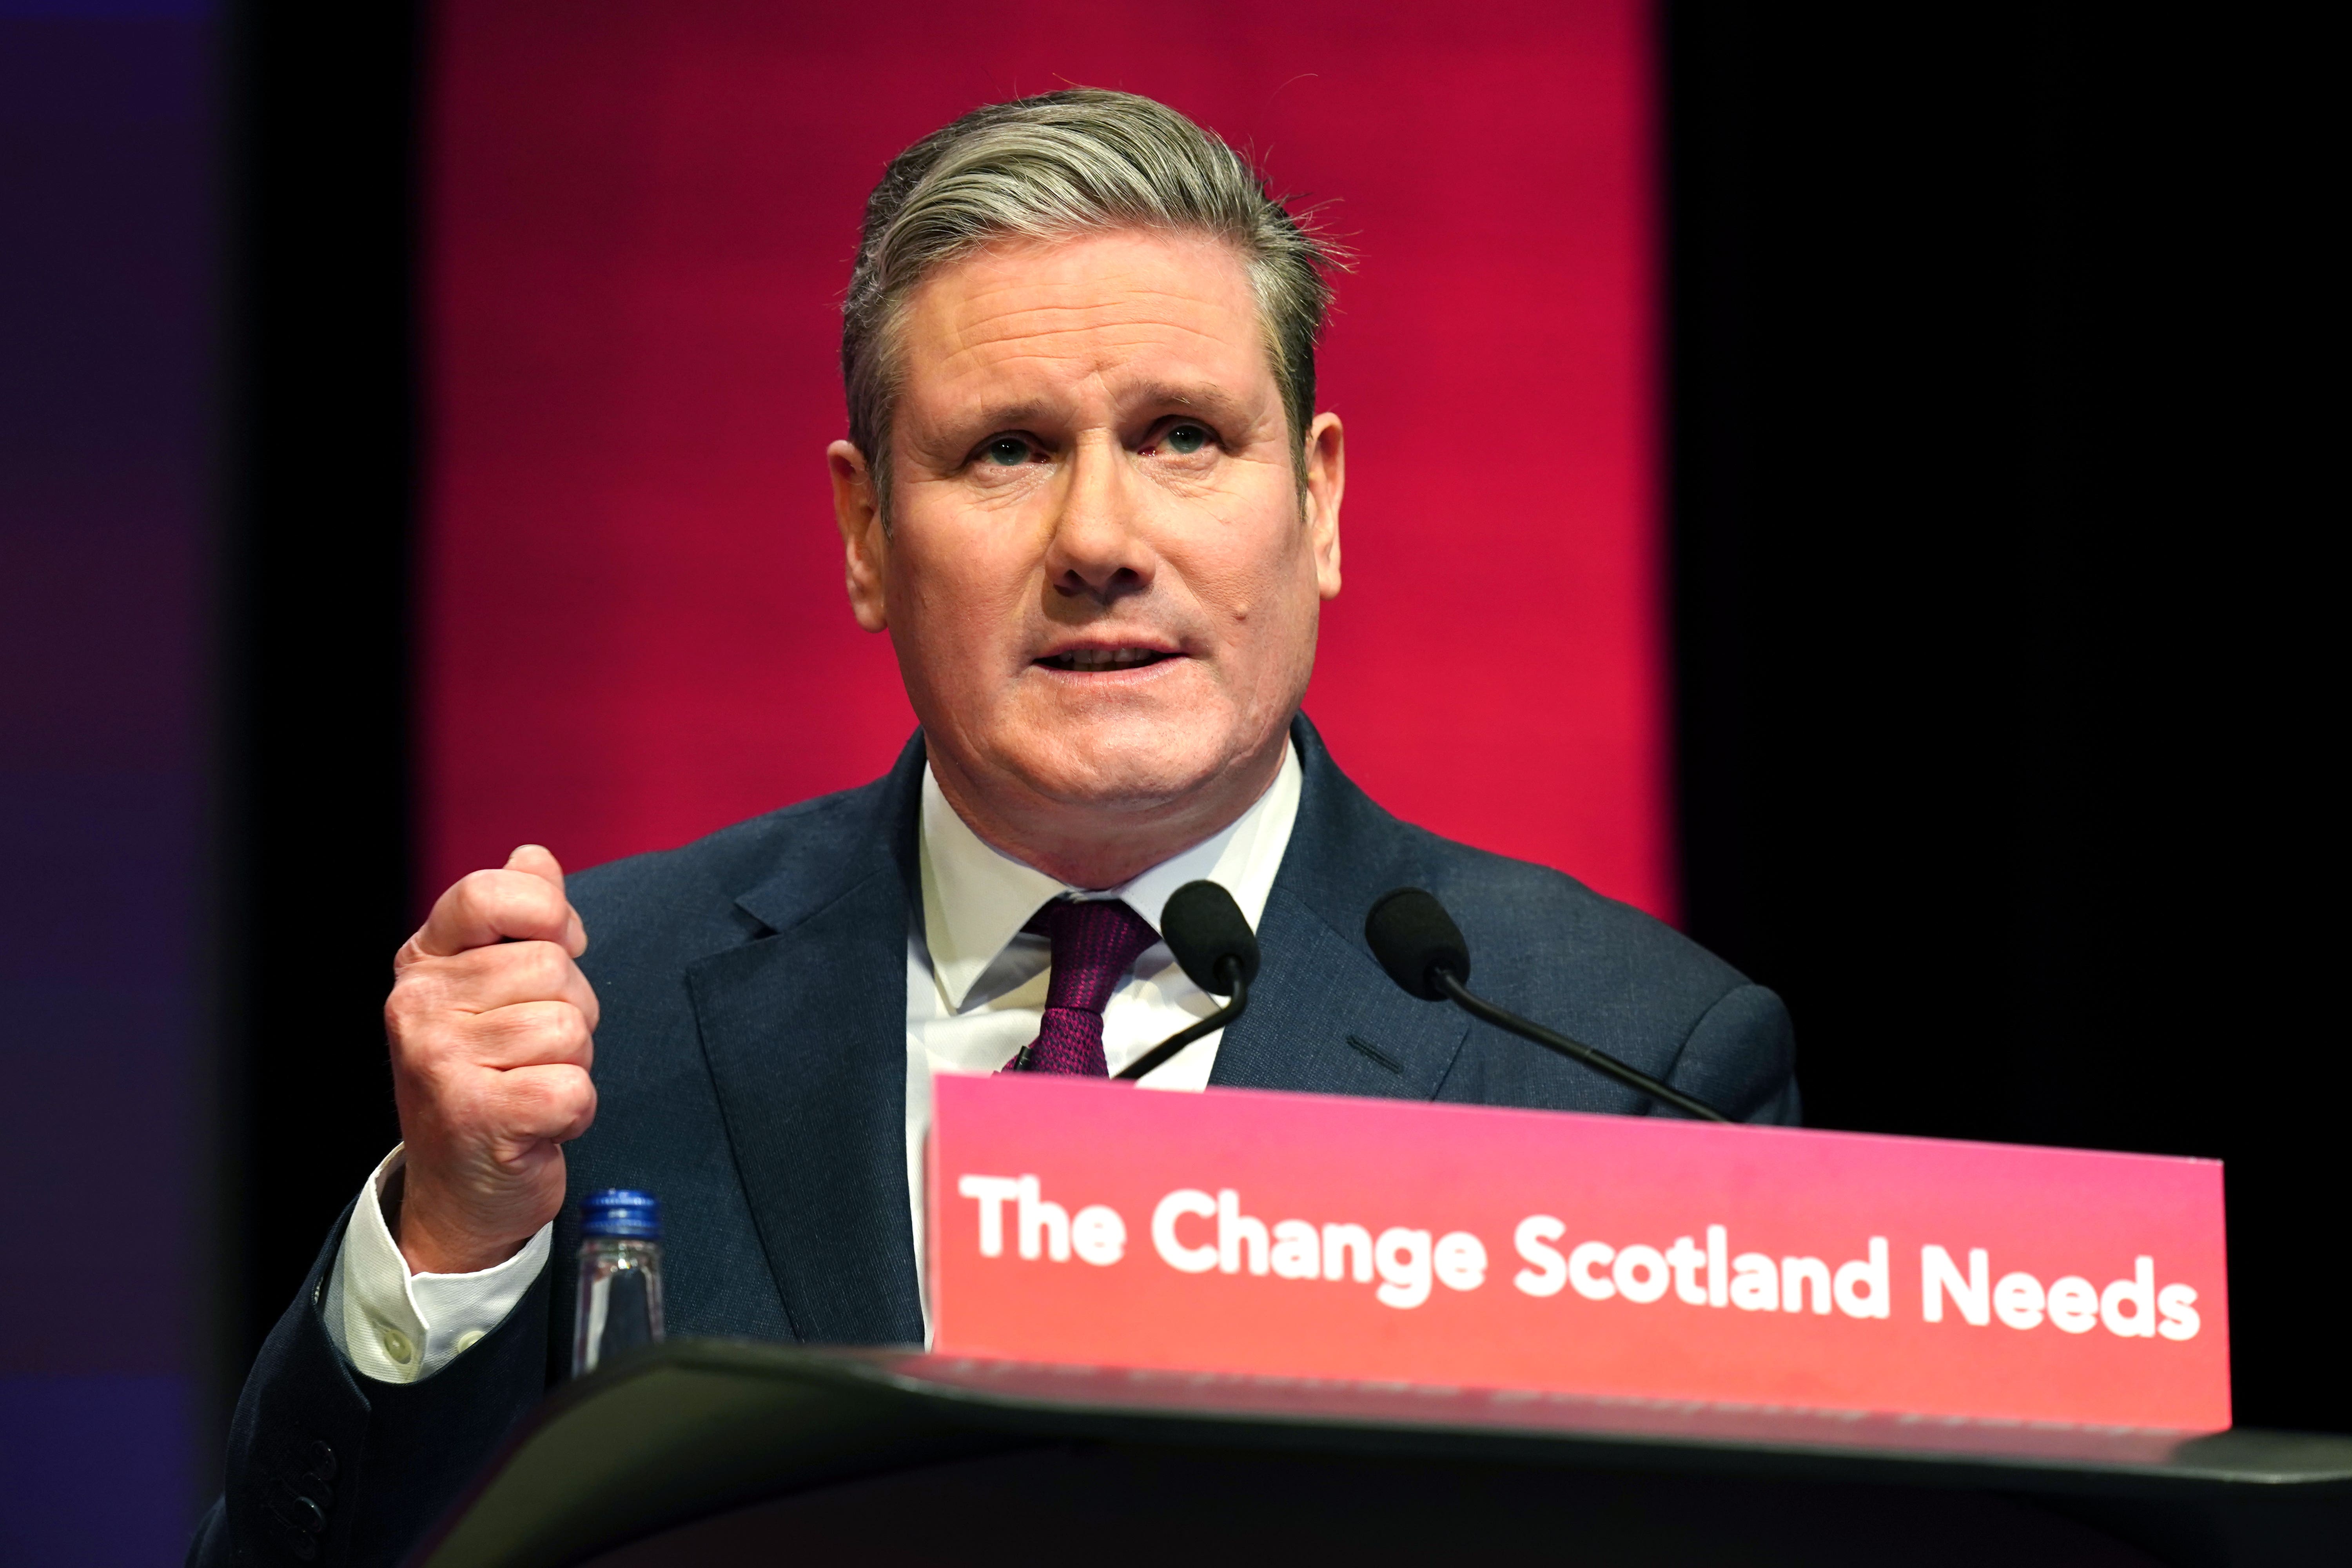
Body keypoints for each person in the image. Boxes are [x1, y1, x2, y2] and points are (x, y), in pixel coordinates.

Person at [192, 89, 1797, 1567]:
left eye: (1182, 434)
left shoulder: (1625, 1071)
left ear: (1318, 501)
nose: (1100, 536)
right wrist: (452, 1238)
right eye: (1008, 449)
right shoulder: (596, 1037)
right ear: (864, 532)